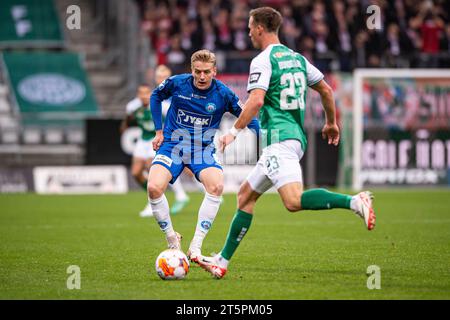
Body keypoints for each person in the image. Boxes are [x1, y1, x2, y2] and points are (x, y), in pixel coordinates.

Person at [196, 7, 376, 279]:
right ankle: (222, 261)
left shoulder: (262, 60)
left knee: (292, 201)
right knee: (245, 196)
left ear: (259, 28)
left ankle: (354, 201)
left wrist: (234, 131)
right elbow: (326, 89)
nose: (247, 32)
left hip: (279, 139)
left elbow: (256, 101)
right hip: (290, 138)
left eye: (249, 26)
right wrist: (330, 122)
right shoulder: (298, 59)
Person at [147, 49, 260, 261]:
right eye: (197, 71)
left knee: (216, 186)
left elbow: (249, 117)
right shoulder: (177, 83)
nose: (201, 77)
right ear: (191, 70)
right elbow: (155, 96)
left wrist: (251, 136)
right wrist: (159, 130)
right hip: (172, 145)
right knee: (153, 188)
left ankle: (195, 246)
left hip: (202, 149)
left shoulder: (223, 93)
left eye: (206, 72)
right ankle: (172, 238)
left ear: (214, 71)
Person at [120, 66, 189, 218]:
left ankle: (153, 201)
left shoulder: (162, 106)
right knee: (136, 173)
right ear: (138, 95)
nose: (144, 97)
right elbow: (128, 117)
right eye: (141, 94)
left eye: (147, 94)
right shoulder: (132, 106)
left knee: (150, 168)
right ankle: (155, 197)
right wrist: (124, 126)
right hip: (142, 141)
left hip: (157, 141)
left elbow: (174, 118)